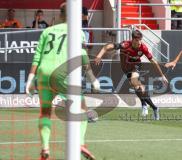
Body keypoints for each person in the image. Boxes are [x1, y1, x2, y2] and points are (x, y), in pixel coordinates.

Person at [25, 3, 97, 160]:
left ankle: (45, 148)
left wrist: (30, 79)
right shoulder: (78, 32)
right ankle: (80, 143)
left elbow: (37, 56)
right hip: (63, 74)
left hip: (43, 73)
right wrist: (92, 77)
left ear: (60, 14)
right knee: (82, 108)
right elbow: (83, 56)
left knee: (45, 112)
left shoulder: (47, 30)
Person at [94, 30, 168, 120]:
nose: (139, 42)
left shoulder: (143, 48)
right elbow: (107, 46)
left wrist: (162, 75)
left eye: (140, 40)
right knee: (137, 87)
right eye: (137, 40)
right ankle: (153, 107)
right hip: (125, 69)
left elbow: (153, 61)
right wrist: (99, 56)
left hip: (136, 66)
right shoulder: (125, 45)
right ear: (133, 40)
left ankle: (145, 105)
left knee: (134, 82)